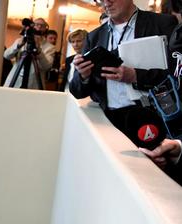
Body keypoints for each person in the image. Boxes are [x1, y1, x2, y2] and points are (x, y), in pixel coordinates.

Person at [69, 0, 177, 132]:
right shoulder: (94, 36)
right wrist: (83, 76)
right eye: (101, 0)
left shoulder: (162, 24)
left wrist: (136, 76)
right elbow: (77, 91)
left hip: (153, 117)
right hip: (106, 121)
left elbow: (177, 74)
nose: (106, 4)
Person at [3, 18, 56, 90]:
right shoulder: (20, 41)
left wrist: (39, 51)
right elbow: (6, 55)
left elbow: (46, 66)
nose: (39, 27)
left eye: (42, 25)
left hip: (34, 85)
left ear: (46, 30)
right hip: (14, 82)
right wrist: (18, 45)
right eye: (37, 24)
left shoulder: (50, 47)